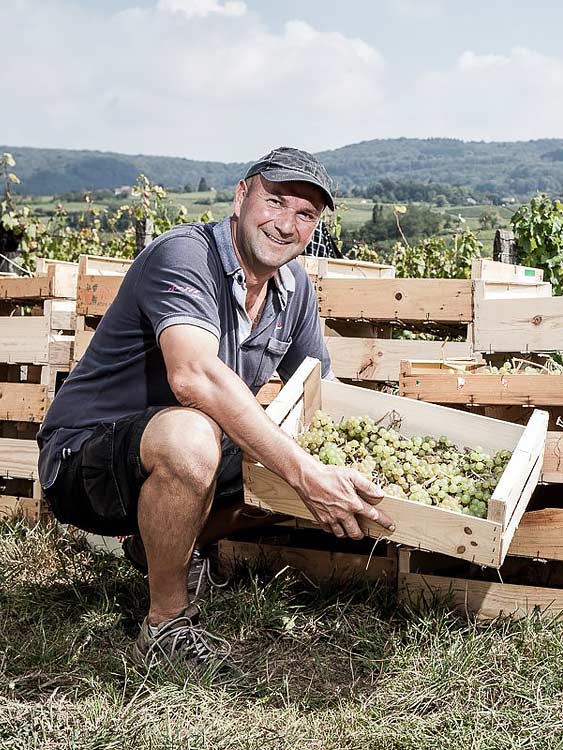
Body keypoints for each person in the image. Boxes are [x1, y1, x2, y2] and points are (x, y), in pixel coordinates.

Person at [37, 147, 395, 668]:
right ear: (241, 195)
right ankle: (165, 625)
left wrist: (360, 456)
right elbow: (193, 376)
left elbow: (321, 392)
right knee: (196, 436)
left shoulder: (293, 292)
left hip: (181, 452)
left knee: (272, 452)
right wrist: (304, 472)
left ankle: (153, 548)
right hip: (87, 459)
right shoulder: (185, 256)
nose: (286, 224)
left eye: (305, 214)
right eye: (276, 202)